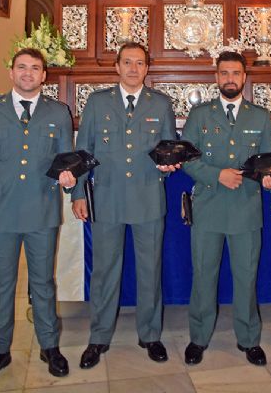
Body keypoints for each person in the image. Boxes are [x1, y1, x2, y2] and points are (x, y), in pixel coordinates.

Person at [0, 48, 75, 388]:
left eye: (36, 68)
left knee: (43, 284)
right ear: (11, 73)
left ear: (45, 76)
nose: (28, 73)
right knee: (1, 285)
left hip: (41, 213)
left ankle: (49, 346)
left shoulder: (59, 112)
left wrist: (68, 177)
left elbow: (65, 161)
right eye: (22, 67)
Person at [72, 42, 176, 368]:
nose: (134, 68)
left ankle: (150, 334)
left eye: (140, 63)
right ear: (117, 66)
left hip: (147, 198)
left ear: (148, 68)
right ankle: (99, 336)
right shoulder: (97, 102)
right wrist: (77, 193)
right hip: (108, 198)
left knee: (149, 269)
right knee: (104, 271)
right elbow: (83, 150)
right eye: (127, 62)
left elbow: (169, 149)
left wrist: (169, 164)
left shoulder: (160, 104)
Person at [181, 51, 271, 366]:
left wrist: (269, 179)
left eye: (236, 73)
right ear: (216, 77)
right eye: (224, 73)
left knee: (246, 277)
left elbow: (269, 160)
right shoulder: (199, 114)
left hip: (245, 209)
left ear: (244, 77)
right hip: (208, 207)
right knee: (203, 276)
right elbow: (188, 158)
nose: (230, 79)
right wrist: (217, 174)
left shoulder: (259, 116)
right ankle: (198, 338)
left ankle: (249, 339)